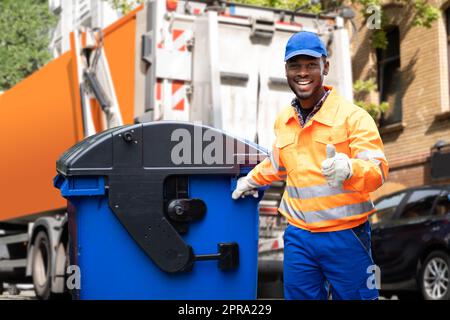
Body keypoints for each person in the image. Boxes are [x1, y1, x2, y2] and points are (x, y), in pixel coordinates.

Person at [232, 31, 389, 300]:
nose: (302, 73)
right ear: (286, 70)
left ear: (325, 67)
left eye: (310, 65)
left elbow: (377, 171)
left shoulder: (353, 117)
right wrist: (251, 180)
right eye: (295, 65)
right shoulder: (285, 120)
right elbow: (279, 163)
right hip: (299, 237)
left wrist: (350, 169)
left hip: (346, 236)